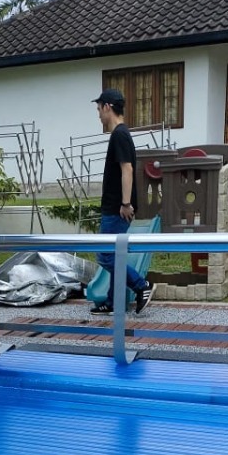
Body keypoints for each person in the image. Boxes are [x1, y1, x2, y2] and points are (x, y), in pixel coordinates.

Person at [89, 88, 154, 315]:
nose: (99, 114)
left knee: (106, 255)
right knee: (114, 254)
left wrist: (125, 204)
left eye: (99, 109)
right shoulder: (120, 134)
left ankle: (141, 285)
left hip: (117, 208)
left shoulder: (120, 135)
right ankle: (114, 302)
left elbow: (127, 169)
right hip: (115, 206)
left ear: (108, 107)